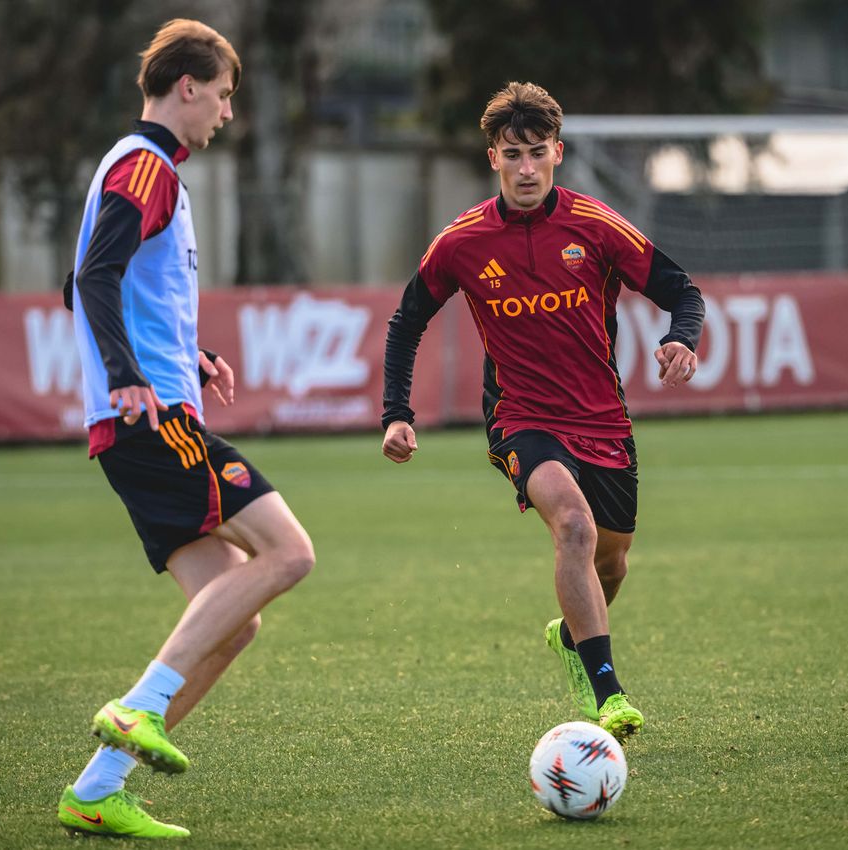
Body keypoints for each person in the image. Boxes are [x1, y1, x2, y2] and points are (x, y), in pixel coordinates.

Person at [381, 82, 705, 742]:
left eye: (536, 153)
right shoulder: (461, 242)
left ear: (557, 152)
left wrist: (682, 338)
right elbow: (405, 323)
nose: (526, 168)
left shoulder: (595, 225)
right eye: (511, 155)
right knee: (574, 529)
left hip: (604, 423)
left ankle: (572, 636)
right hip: (520, 419)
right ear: (492, 159)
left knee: (610, 565)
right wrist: (397, 411)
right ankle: (607, 693)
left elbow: (682, 291)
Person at [57, 20, 315, 839]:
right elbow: (92, 275)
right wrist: (133, 377)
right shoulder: (146, 166)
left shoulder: (143, 167)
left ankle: (97, 790)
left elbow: (117, 284)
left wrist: (188, 353)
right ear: (190, 87)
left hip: (142, 412)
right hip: (151, 419)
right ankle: (140, 709)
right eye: (226, 96)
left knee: (235, 618)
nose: (228, 115)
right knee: (289, 553)